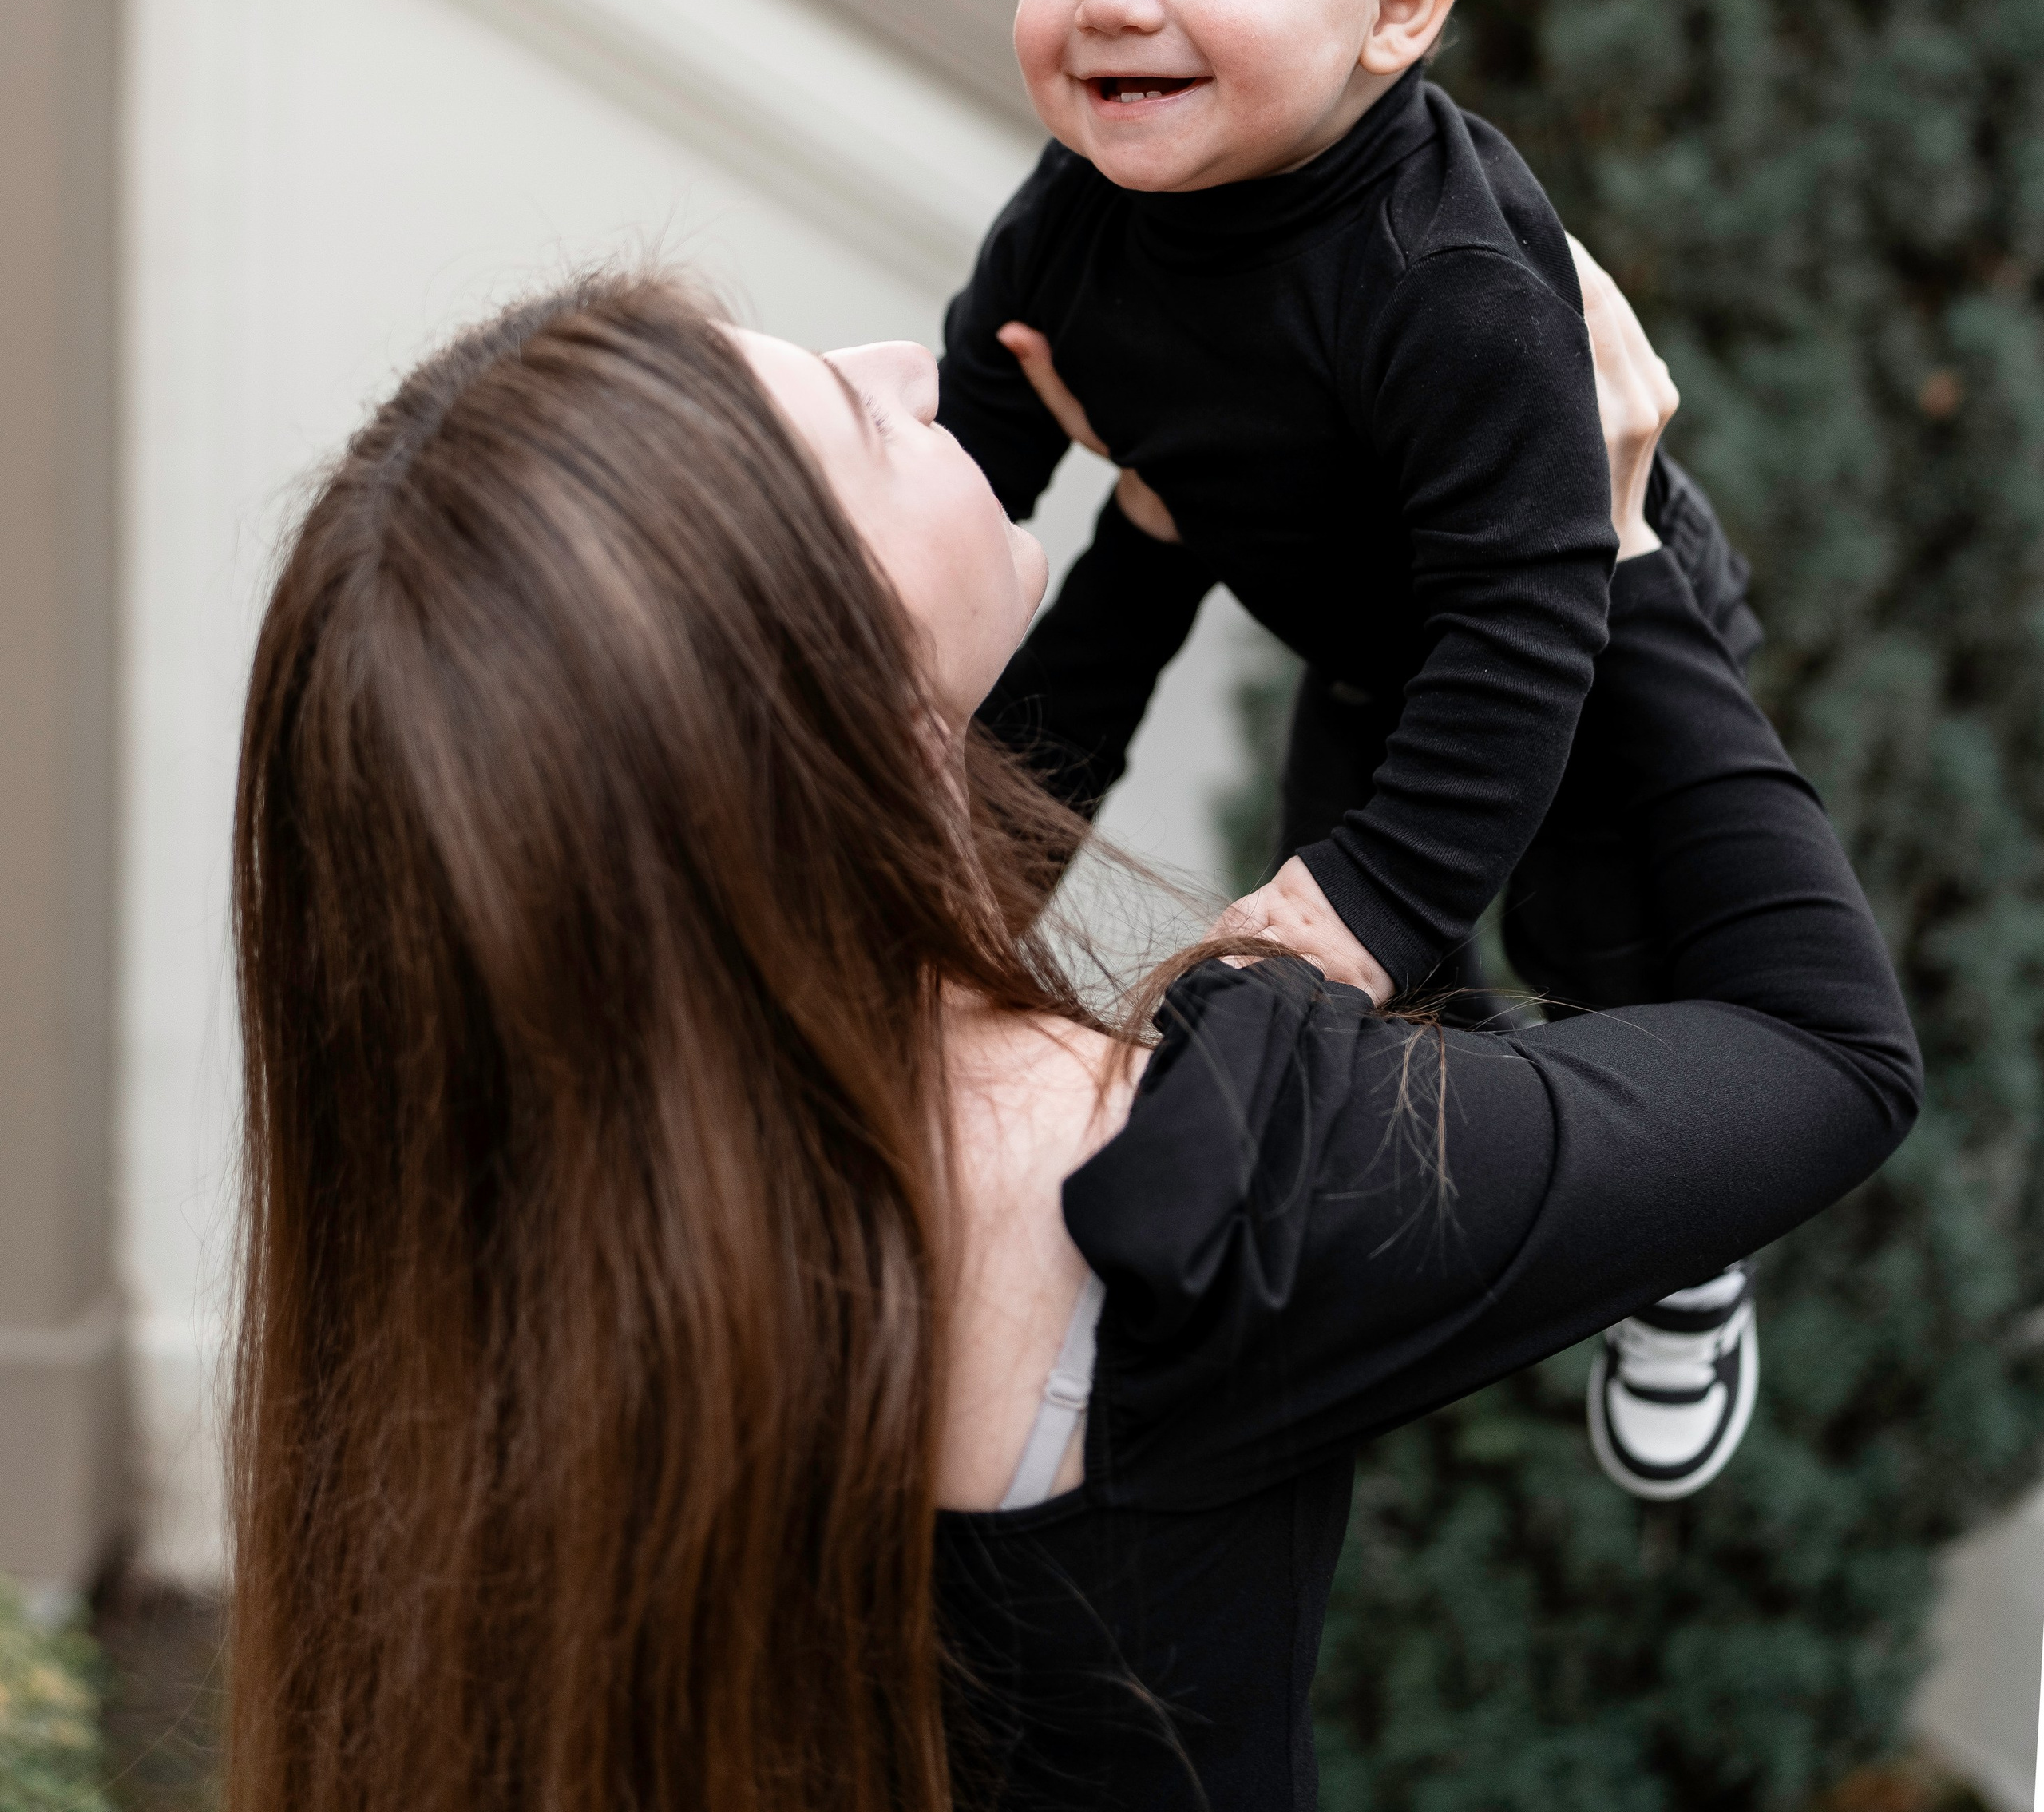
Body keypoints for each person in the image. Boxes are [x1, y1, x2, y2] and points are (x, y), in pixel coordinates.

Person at [225, 260, 1918, 1812]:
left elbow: (934, 801)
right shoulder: (1188, 1196)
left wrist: (1157, 532)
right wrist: (1599, 553)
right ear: (839, 695)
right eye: (855, 417)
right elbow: (1821, 1048)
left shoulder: (524, 1217)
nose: (905, 360)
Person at [936, 0, 1765, 1497]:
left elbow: (1527, 615)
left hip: (1565, 647)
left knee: (1591, 951)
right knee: (1379, 1009)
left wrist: (1383, 880)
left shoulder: (1447, 281)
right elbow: (970, 442)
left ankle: (1682, 1237)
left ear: (1396, 4)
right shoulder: (1068, 218)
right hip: (1367, 647)